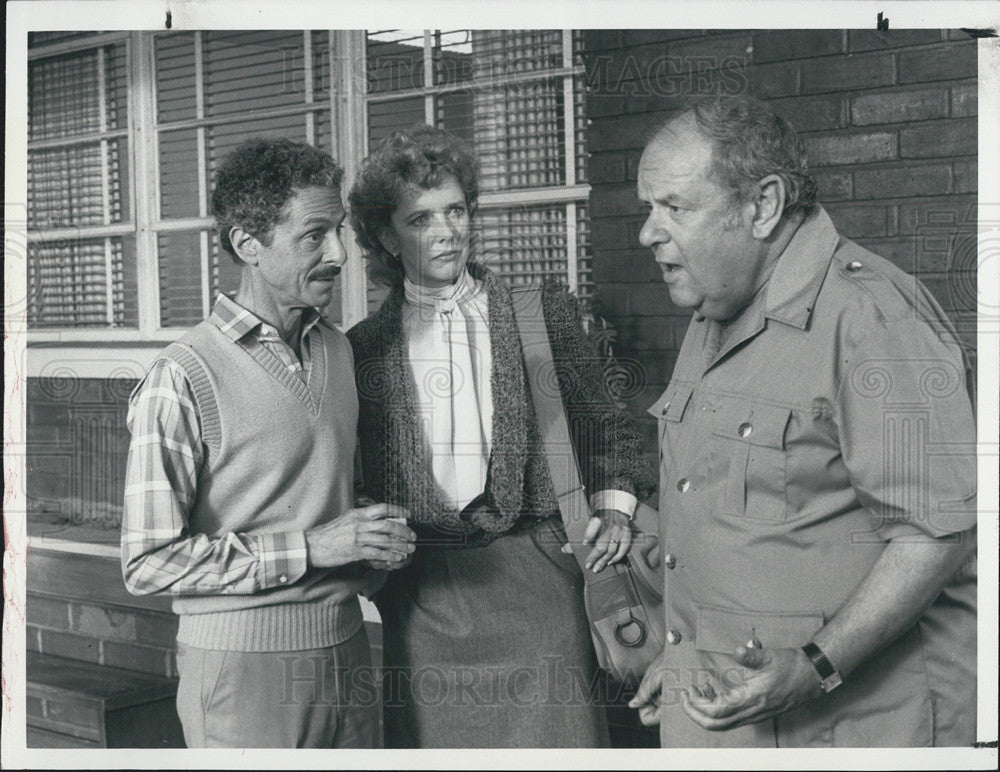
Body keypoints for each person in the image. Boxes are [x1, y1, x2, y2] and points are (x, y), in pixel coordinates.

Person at [628, 95, 978, 747]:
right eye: (648, 209)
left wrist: (815, 666)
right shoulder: (714, 313)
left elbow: (937, 533)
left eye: (673, 207)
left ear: (761, 205)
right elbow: (712, 512)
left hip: (854, 730)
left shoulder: (872, 320)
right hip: (730, 720)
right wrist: (683, 658)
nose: (648, 233)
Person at [346, 125, 654, 748]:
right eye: (421, 218)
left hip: (539, 582)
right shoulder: (362, 349)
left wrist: (617, 511)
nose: (446, 230)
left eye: (456, 210)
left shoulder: (538, 314)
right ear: (385, 236)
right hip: (425, 595)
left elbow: (607, 428)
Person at [121, 138, 416, 748]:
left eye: (338, 231)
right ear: (247, 244)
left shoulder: (338, 350)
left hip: (348, 653)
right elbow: (147, 563)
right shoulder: (182, 375)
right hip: (242, 672)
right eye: (315, 235)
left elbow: (331, 497)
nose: (338, 252)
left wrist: (372, 547)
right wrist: (311, 547)